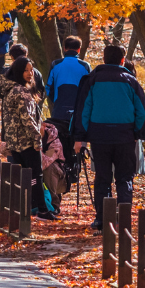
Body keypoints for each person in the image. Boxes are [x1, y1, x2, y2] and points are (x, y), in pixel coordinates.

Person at [72, 43, 145, 233]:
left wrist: (80, 137)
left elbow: (84, 110)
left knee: (102, 179)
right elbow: (142, 111)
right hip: (125, 136)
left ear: (104, 59)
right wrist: (138, 133)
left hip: (99, 136)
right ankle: (124, 220)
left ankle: (102, 219)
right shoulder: (131, 82)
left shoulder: (92, 80)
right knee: (124, 179)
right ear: (122, 60)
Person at [2, 58, 56, 219]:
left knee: (25, 176)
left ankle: (29, 207)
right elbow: (28, 119)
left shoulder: (11, 90)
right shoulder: (21, 92)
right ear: (18, 71)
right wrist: (37, 139)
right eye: (26, 70)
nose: (30, 73)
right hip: (26, 141)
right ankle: (42, 209)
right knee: (35, 176)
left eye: (31, 70)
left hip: (15, 141)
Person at [45, 35, 91, 180]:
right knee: (76, 140)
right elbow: (89, 90)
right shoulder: (85, 66)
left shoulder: (56, 64)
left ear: (64, 48)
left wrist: (56, 102)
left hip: (59, 110)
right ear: (79, 49)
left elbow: (49, 88)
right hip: (78, 112)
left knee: (60, 141)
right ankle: (75, 170)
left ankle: (61, 172)